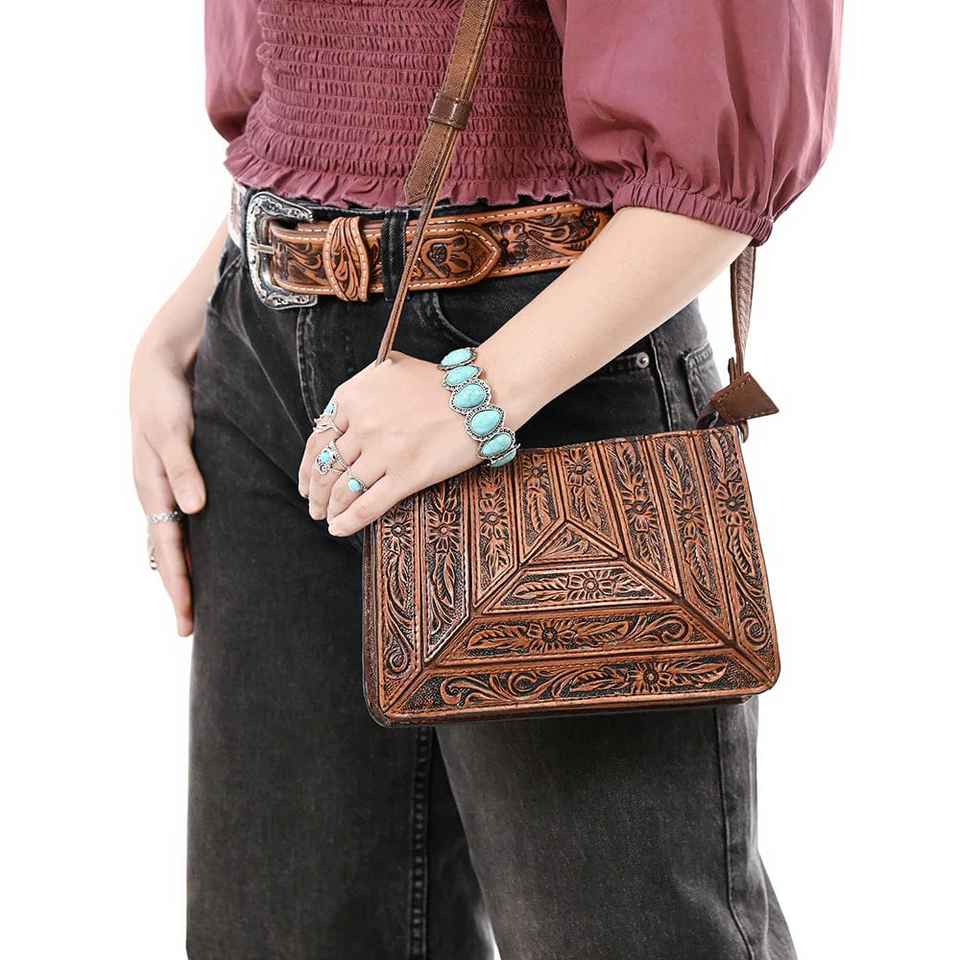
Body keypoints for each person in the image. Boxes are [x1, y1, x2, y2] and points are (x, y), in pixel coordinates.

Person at [130, 1, 840, 957]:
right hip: (261, 360)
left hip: (547, 368)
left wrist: (483, 395)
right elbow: (328, 104)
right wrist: (183, 323)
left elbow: (712, 148)